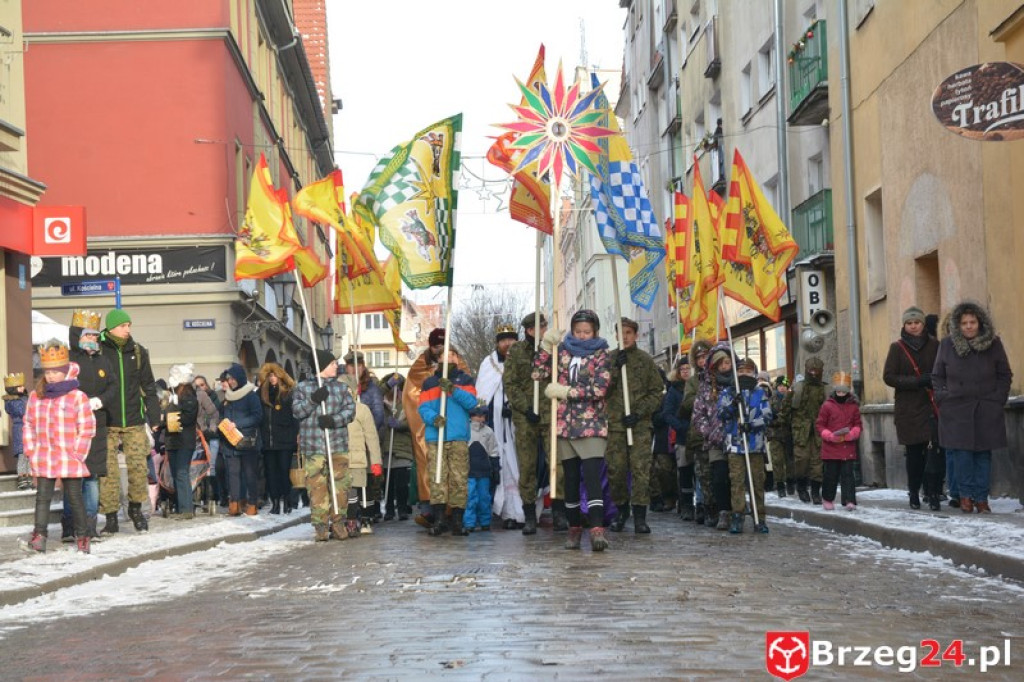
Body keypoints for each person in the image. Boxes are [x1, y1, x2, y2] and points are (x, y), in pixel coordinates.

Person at [533, 309, 612, 552]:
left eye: (587, 332)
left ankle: (597, 529)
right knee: (570, 480)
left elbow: (600, 388)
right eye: (578, 331)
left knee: (592, 477)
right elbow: (538, 373)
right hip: (565, 425)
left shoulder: (602, 353)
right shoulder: (562, 351)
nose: (582, 335)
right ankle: (574, 528)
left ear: (595, 331)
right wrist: (546, 347)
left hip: (591, 424)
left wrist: (568, 392)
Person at [932, 301, 1012, 514]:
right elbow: (937, 375)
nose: (968, 326)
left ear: (980, 323)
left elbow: (1005, 374)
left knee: (983, 455)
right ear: (958, 325)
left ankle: (982, 498)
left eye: (972, 322)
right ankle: (965, 497)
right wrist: (943, 397)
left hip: (986, 407)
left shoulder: (993, 344)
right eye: (964, 323)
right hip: (956, 408)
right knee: (962, 455)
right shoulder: (947, 344)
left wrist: (998, 399)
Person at [22, 340, 96, 553]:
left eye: (56, 372)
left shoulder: (77, 396)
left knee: (75, 496)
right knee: (42, 497)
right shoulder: (37, 396)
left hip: (68, 455)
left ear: (65, 371)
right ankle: (40, 534)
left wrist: (78, 453)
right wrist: (31, 449)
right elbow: (28, 423)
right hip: (44, 454)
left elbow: (87, 426)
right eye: (48, 372)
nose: (51, 376)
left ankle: (82, 535)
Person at [97, 308, 161, 534]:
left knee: (138, 468)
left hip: (134, 419)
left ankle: (136, 510)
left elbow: (149, 387)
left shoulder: (138, 351)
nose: (128, 329)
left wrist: (154, 418)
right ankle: (111, 516)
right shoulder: (99, 350)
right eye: (124, 325)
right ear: (111, 327)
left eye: (129, 325)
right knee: (108, 473)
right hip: (107, 421)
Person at [504, 313, 565, 534]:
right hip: (526, 416)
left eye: (546, 325)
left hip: (550, 413)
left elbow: (562, 375)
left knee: (556, 464)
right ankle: (529, 514)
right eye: (542, 326)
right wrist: (525, 408)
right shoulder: (517, 351)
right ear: (530, 330)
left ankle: (559, 511)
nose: (546, 329)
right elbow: (510, 384)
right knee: (527, 465)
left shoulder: (554, 349)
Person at [405, 328, 470, 527]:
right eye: (437, 347)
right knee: (431, 469)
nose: (440, 350)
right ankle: (432, 510)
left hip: (455, 430)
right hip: (431, 429)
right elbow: (415, 395)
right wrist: (431, 417)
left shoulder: (461, 371)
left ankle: (455, 515)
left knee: (457, 473)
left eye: (444, 347)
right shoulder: (421, 367)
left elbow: (469, 397)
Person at [605, 317, 664, 534]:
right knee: (616, 470)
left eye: (629, 332)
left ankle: (640, 515)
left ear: (636, 335)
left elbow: (656, 392)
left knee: (641, 470)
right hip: (616, 425)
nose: (625, 337)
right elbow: (601, 390)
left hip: (639, 426)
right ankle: (621, 510)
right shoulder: (609, 359)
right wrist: (614, 370)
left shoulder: (645, 360)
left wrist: (640, 413)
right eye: (621, 333)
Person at [292, 349, 357, 541]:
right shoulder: (302, 388)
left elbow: (350, 411)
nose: (336, 366)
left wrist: (333, 420)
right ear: (321, 367)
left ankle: (338, 522)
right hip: (314, 446)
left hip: (337, 444)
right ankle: (320, 525)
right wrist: (313, 400)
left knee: (340, 486)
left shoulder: (341, 388)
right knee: (317, 487)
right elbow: (297, 411)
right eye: (332, 364)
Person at [883, 306, 943, 511]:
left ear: (923, 324)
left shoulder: (935, 345)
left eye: (916, 322)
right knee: (915, 454)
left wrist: (934, 381)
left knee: (934, 452)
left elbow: (943, 370)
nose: (913, 326)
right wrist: (917, 381)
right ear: (904, 325)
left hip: (931, 406)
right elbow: (889, 377)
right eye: (909, 323)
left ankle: (934, 493)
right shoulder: (897, 348)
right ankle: (914, 492)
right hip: (908, 409)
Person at [418, 347, 478, 537]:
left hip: (458, 436)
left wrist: (452, 390)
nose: (450, 358)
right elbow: (423, 408)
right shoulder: (429, 382)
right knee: (438, 478)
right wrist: (434, 418)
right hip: (437, 437)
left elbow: (472, 403)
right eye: (446, 355)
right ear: (439, 359)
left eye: (453, 355)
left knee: (459, 479)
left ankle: (458, 521)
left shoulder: (465, 380)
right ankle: (439, 519)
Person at [475, 324, 526, 532]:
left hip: (517, 424)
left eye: (512, 339)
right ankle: (501, 510)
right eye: (504, 339)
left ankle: (517, 511)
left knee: (517, 465)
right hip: (494, 424)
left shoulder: (522, 361)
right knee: (498, 465)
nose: (508, 343)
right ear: (497, 342)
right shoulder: (488, 364)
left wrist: (514, 408)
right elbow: (483, 392)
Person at [717, 358, 773, 533]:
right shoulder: (728, 392)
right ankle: (738, 516)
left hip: (755, 445)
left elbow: (767, 416)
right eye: (741, 371)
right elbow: (722, 414)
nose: (744, 375)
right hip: (735, 445)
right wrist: (734, 405)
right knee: (737, 482)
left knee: (757, 482)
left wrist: (752, 424)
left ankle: (760, 517)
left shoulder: (760, 393)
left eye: (748, 371)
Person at [692, 343, 735, 531]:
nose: (725, 366)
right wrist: (708, 431)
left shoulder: (739, 383)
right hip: (715, 440)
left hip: (736, 439)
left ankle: (738, 509)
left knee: (735, 477)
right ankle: (723, 511)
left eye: (727, 362)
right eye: (721, 363)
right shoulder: (706, 386)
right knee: (718, 477)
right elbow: (698, 413)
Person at [341, 374, 383, 536]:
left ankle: (366, 518)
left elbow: (371, 436)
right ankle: (350, 520)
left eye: (346, 389)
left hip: (358, 458)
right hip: (340, 457)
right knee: (347, 492)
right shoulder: (332, 409)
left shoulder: (361, 409)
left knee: (362, 491)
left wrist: (376, 461)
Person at [219, 363, 263, 516]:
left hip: (247, 441)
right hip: (230, 442)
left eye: (232, 379)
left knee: (250, 474)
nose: (230, 382)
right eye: (228, 379)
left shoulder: (251, 395)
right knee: (233, 474)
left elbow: (258, 416)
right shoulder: (227, 397)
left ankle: (252, 503)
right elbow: (221, 415)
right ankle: (235, 503)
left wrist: (238, 424)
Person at [816, 372, 863, 511]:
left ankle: (849, 500)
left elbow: (858, 424)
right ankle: (828, 498)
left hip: (847, 446)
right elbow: (820, 425)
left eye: (844, 391)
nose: (841, 393)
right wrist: (829, 435)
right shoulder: (827, 406)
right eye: (839, 391)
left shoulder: (853, 406)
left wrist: (853, 433)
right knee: (831, 475)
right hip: (831, 447)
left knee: (848, 475)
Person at [678, 340, 713, 524]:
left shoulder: (719, 376)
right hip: (700, 434)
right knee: (703, 474)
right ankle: (705, 507)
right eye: (699, 357)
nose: (702, 360)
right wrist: (703, 397)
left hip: (719, 434)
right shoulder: (693, 381)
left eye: (705, 356)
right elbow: (686, 403)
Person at [257, 363, 299, 514]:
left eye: (274, 375)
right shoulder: (262, 392)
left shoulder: (288, 393)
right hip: (268, 440)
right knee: (270, 473)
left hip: (285, 439)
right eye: (270, 375)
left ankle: (287, 500)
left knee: (283, 471)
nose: (272, 378)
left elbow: (295, 417)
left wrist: (296, 436)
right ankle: (275, 503)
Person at [789, 356, 828, 505]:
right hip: (801, 432)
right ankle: (802, 487)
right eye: (811, 370)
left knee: (817, 464)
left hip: (818, 431)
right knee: (801, 461)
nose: (813, 374)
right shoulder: (798, 388)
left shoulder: (825, 389)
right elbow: (787, 409)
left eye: (816, 371)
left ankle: (816, 492)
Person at [162, 363, 199, 518]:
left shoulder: (189, 397)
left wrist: (171, 419)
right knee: (177, 473)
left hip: (184, 440)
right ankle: (181, 506)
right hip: (173, 440)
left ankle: (186, 508)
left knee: (182, 473)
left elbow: (189, 417)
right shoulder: (173, 397)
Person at [661, 354, 693, 519]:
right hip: (682, 436)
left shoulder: (701, 385)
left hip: (700, 435)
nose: (686, 372)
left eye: (688, 368)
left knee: (701, 473)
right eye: (683, 369)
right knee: (685, 471)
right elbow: (667, 414)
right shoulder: (674, 390)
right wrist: (680, 426)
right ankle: (686, 505)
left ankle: (702, 505)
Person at [379, 373, 414, 521]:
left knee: (401, 484)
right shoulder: (381, 404)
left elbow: (413, 422)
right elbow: (375, 393)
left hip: (402, 450)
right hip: (387, 449)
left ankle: (402, 508)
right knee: (388, 483)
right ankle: (389, 510)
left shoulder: (406, 405)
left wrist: (400, 424)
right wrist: (388, 384)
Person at [466, 404, 499, 532]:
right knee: (470, 498)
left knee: (484, 497)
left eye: (483, 416)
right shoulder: (465, 429)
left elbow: (493, 451)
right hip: (469, 470)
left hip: (484, 470)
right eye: (477, 416)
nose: (480, 419)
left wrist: (495, 468)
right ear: (471, 416)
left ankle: (485, 522)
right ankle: (469, 522)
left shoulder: (488, 431)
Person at [192, 375, 221, 511]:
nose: (200, 387)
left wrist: (211, 429)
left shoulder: (202, 396)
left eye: (202, 384)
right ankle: (194, 497)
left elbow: (214, 413)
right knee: (193, 468)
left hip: (205, 435)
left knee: (209, 466)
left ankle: (211, 497)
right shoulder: (181, 394)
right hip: (190, 437)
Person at [4, 372, 31, 490]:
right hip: (20, 428)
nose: (23, 388)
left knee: (28, 454)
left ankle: (29, 475)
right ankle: (22, 477)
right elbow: (21, 411)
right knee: (22, 454)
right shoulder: (12, 401)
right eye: (19, 387)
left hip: (28, 427)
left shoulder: (24, 398)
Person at [766, 376, 792, 499]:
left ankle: (791, 483)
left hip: (789, 434)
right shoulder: (771, 399)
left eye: (784, 386)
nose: (782, 388)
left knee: (790, 461)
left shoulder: (791, 399)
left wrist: (780, 418)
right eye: (780, 386)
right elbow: (768, 417)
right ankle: (780, 485)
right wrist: (778, 419)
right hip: (775, 435)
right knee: (777, 461)